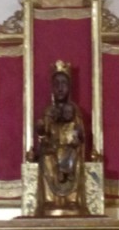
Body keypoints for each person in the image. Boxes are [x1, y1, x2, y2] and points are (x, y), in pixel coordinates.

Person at [35, 61, 88, 217]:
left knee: (76, 161)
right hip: (52, 150)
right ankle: (50, 200)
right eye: (56, 84)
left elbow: (81, 135)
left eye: (63, 83)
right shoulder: (49, 110)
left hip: (70, 149)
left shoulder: (75, 110)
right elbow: (43, 133)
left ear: (69, 87)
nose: (60, 88)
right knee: (46, 160)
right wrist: (41, 128)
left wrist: (78, 135)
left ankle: (72, 200)